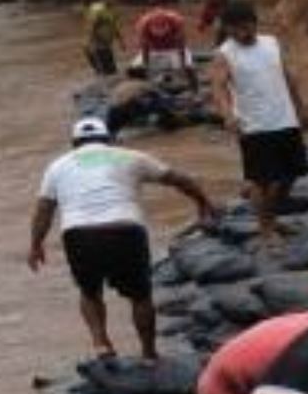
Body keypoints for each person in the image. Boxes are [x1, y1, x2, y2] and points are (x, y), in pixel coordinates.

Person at [28, 118, 217, 360]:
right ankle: (149, 353)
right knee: (140, 295)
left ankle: (101, 343)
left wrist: (36, 245)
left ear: (74, 144)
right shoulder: (130, 156)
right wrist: (203, 201)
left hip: (79, 233)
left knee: (89, 292)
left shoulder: (58, 166)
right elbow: (178, 179)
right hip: (125, 229)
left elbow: (44, 209)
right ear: (108, 139)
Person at [210, 0, 308, 243]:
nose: (242, 33)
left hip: (285, 118)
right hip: (254, 125)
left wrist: (300, 109)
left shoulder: (271, 42)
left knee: (291, 174)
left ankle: (273, 219)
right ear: (228, 29)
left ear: (255, 22)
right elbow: (219, 87)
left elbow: (287, 77)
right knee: (261, 180)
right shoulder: (225, 53)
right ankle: (265, 230)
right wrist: (228, 115)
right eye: (235, 29)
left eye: (246, 26)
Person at [133, 6, 197, 93]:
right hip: (153, 50)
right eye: (157, 29)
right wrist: (145, 66)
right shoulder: (143, 24)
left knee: (189, 66)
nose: (160, 35)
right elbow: (145, 48)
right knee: (136, 68)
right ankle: (141, 89)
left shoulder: (176, 21)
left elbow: (181, 45)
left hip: (173, 48)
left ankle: (195, 90)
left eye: (162, 29)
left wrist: (183, 64)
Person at [83, 0, 124, 76]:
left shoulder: (112, 11)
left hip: (106, 45)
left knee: (112, 71)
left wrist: (121, 41)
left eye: (115, 0)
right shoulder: (97, 10)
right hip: (97, 46)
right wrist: (90, 43)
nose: (115, 1)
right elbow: (91, 26)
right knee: (103, 72)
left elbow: (114, 27)